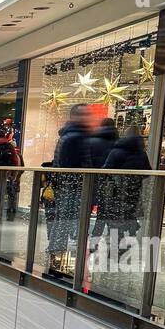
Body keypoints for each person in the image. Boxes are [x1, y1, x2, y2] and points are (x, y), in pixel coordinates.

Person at [48, 104, 117, 273]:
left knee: (65, 222)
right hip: (75, 188)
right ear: (77, 117)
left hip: (70, 187)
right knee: (70, 223)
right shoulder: (76, 137)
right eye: (86, 115)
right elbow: (73, 165)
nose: (89, 118)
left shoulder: (71, 135)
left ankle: (59, 259)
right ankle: (63, 261)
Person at [95, 121, 149, 246]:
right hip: (134, 192)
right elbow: (147, 172)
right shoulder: (142, 153)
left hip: (117, 191)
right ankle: (128, 243)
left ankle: (115, 245)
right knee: (129, 215)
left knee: (115, 218)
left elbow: (106, 169)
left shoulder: (117, 151)